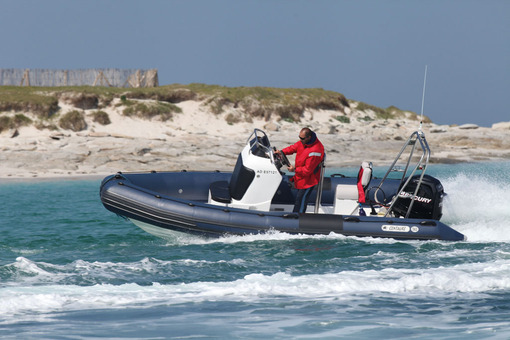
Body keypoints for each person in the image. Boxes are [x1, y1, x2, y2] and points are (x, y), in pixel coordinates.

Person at [276, 127, 325, 213]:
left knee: (301, 200)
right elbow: (293, 148)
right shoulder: (304, 142)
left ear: (308, 137)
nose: (300, 140)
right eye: (299, 137)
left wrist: (294, 169)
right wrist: (281, 152)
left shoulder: (315, 151)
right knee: (299, 199)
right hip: (301, 177)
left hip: (309, 180)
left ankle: (298, 218)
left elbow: (307, 170)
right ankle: (296, 216)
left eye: (302, 138)